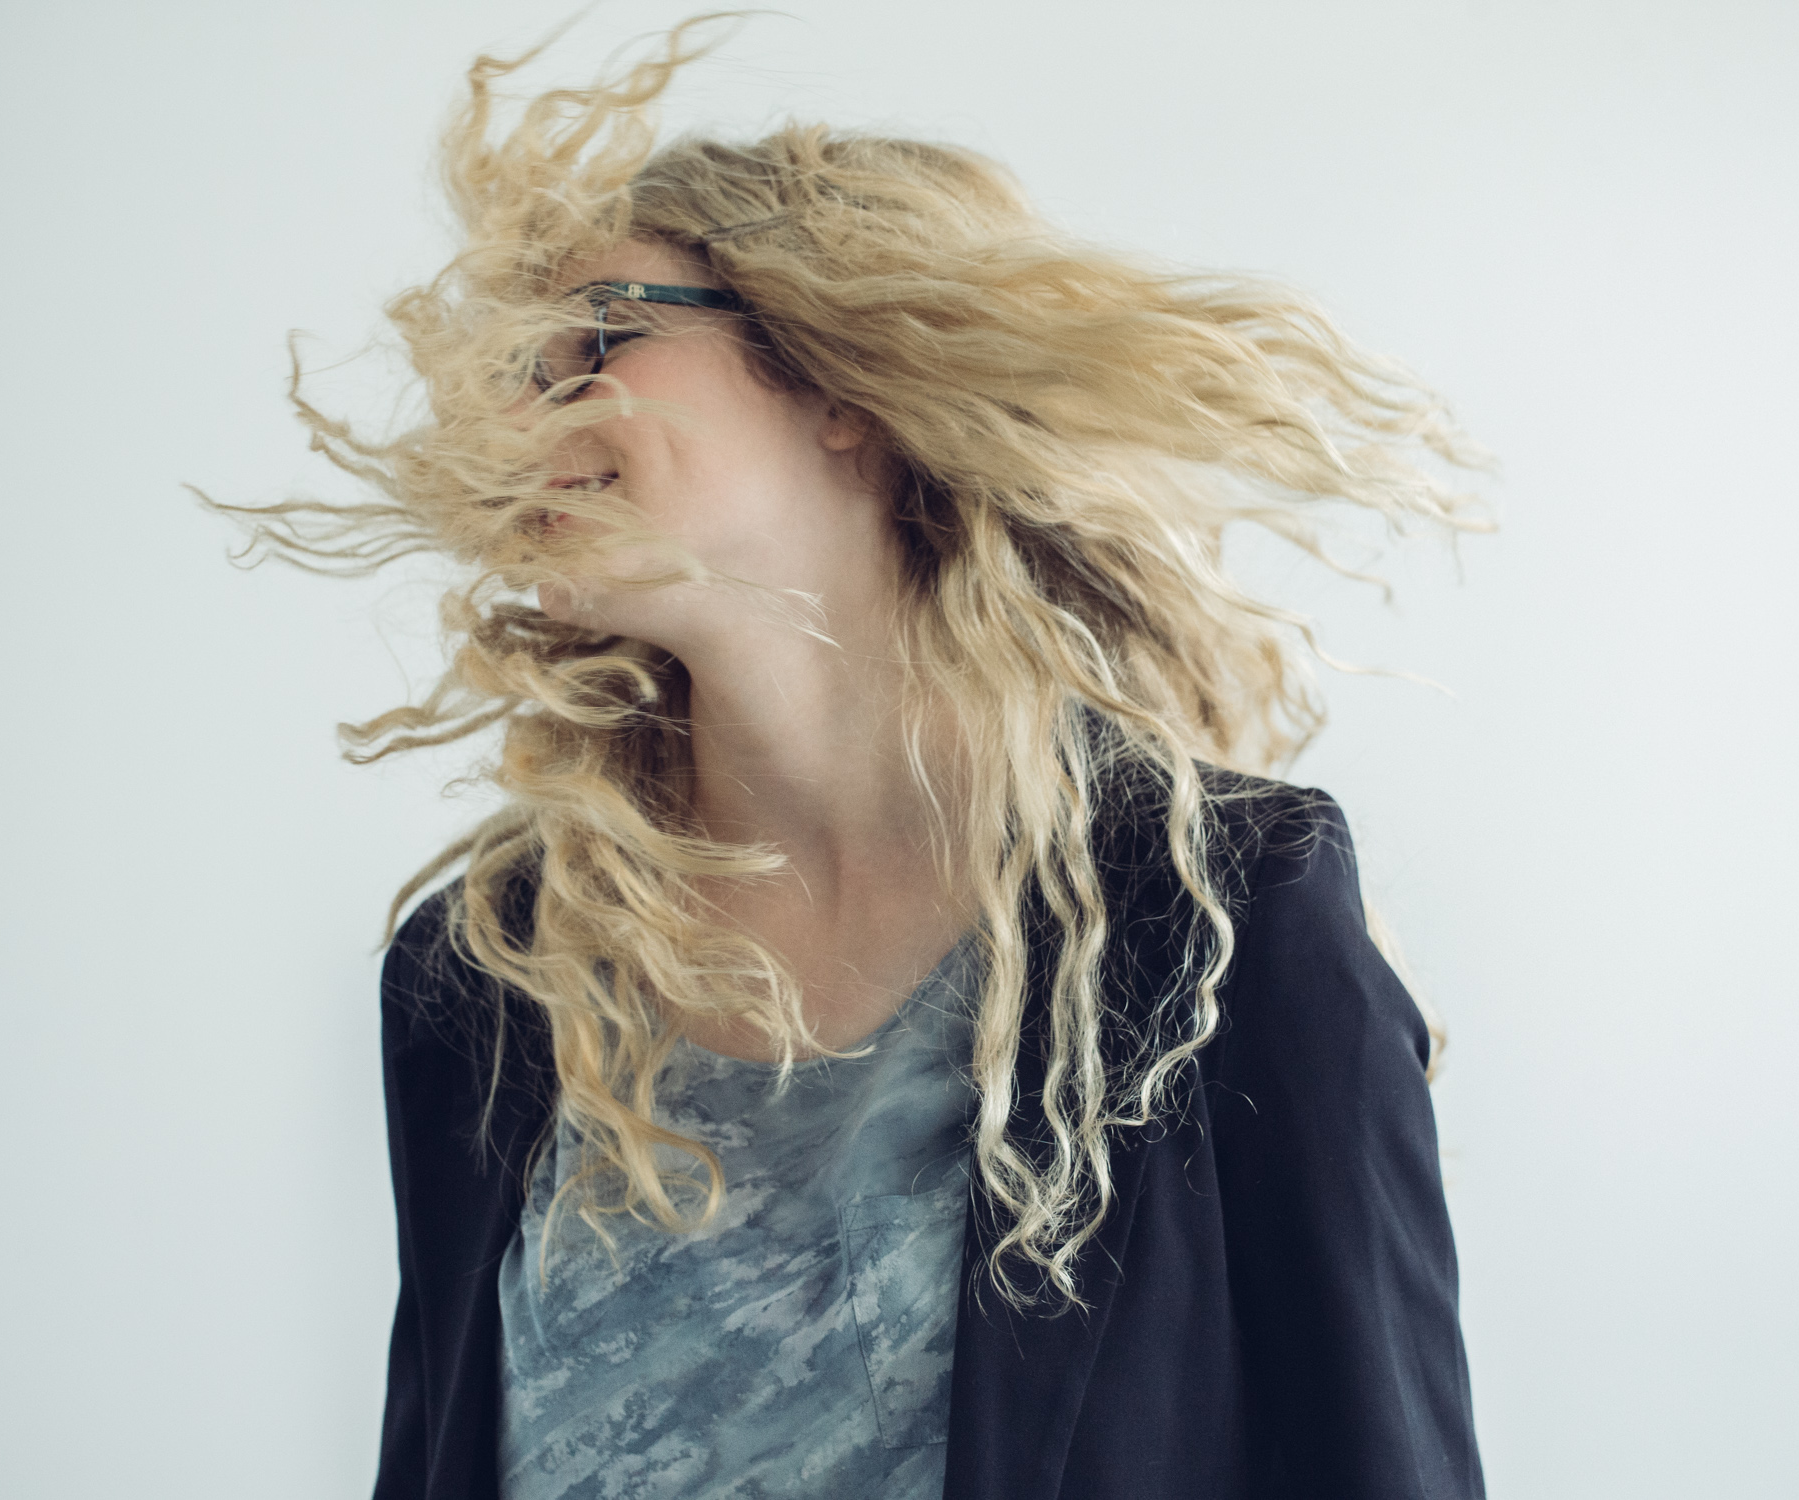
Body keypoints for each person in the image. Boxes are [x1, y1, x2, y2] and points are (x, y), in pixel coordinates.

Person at [230, 17, 1487, 1499]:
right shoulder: (495, 970)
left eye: (601, 340)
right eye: (519, 370)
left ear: (841, 383)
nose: (519, 420)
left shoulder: (1215, 917)